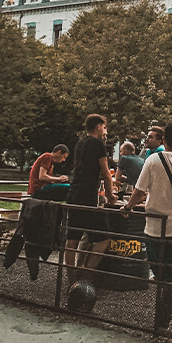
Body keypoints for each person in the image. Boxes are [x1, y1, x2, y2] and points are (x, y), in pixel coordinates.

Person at [122, 122, 172, 331]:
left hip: (154, 225)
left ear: (164, 140)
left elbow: (139, 191)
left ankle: (164, 320)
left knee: (158, 271)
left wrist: (128, 207)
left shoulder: (153, 160)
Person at [64, 114, 117, 284]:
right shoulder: (98, 144)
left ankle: (70, 277)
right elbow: (106, 173)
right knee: (104, 238)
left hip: (74, 193)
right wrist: (110, 196)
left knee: (72, 239)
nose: (105, 131)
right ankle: (85, 273)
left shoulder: (79, 143)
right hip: (88, 196)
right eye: (105, 127)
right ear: (98, 127)